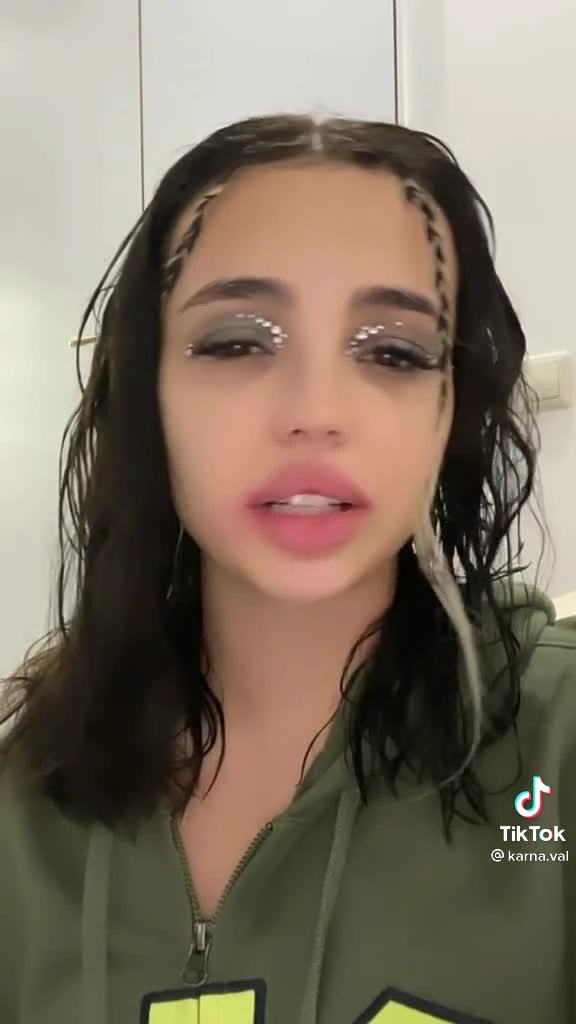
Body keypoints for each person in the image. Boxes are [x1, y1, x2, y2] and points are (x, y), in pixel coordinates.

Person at [1, 114, 575, 1024]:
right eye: (237, 341)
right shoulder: (24, 798)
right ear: (148, 392)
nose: (314, 411)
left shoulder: (556, 751)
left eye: (394, 351)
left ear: (450, 406)